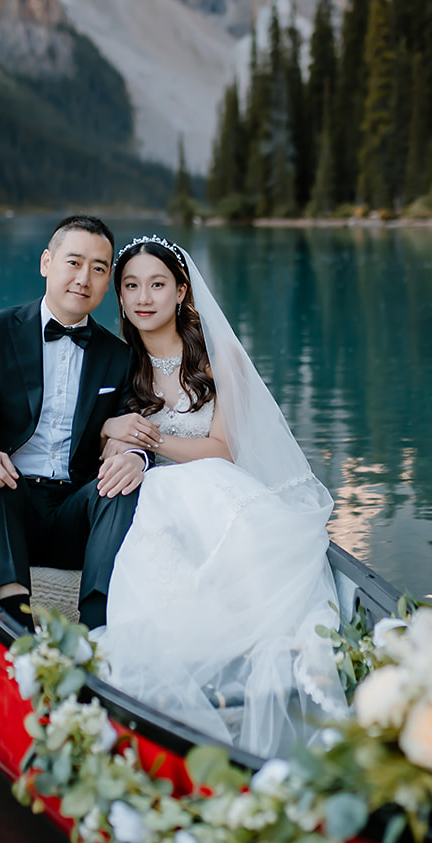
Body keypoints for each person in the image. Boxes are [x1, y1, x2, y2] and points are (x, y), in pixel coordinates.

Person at [96, 234, 348, 757]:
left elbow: (226, 449)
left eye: (158, 284)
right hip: (156, 487)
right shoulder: (123, 364)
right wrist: (115, 433)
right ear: (119, 297)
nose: (144, 297)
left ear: (182, 291)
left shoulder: (217, 357)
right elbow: (103, 433)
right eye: (131, 286)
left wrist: (151, 438)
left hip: (215, 478)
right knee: (154, 517)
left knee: (190, 494)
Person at [0, 215, 148, 630]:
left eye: (98, 268)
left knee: (123, 486)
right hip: (4, 505)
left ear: (108, 281)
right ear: (46, 263)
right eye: (73, 262)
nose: (83, 278)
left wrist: (136, 457)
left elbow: (133, 422)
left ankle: (98, 627)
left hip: (73, 509)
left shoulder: (119, 355)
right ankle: (15, 619)